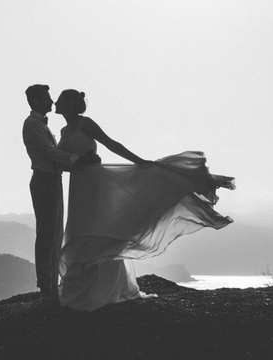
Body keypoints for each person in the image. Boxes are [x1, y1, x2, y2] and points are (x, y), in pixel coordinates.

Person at [55, 88, 235, 311]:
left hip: (93, 183)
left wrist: (138, 161)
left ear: (70, 104)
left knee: (95, 229)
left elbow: (112, 144)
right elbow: (64, 162)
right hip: (77, 184)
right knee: (78, 229)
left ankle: (99, 289)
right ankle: (84, 287)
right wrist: (79, 162)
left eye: (60, 100)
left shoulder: (85, 124)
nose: (55, 103)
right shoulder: (64, 131)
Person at [22, 84, 79, 305]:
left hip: (53, 180)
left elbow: (53, 155)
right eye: (47, 97)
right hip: (44, 181)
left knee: (54, 234)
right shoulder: (33, 124)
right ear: (36, 100)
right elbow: (49, 152)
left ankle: (51, 284)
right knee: (47, 234)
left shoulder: (39, 125)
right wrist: (76, 160)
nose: (51, 101)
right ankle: (46, 286)